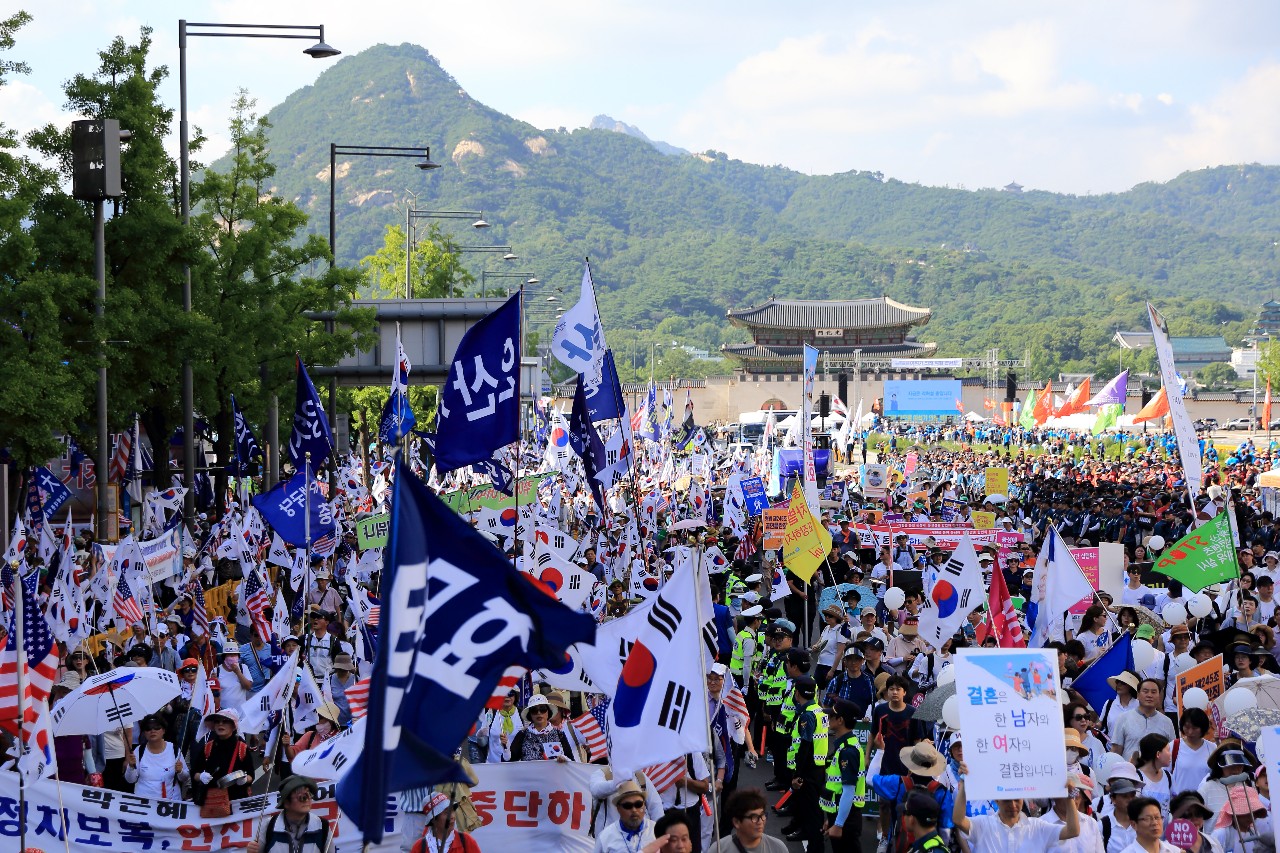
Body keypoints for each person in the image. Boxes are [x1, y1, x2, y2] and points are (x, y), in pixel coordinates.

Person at [952, 763, 1080, 853]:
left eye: (1017, 800)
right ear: (996, 800)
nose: (1013, 805)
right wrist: (964, 783)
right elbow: (958, 820)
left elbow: (1072, 831)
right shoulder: (983, 825)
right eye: (1007, 800)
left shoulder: (1037, 827)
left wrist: (1069, 798)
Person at [823, 699, 867, 853]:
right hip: (842, 814)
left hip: (847, 819)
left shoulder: (848, 751)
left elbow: (848, 790)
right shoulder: (844, 745)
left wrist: (838, 823)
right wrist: (832, 820)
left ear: (840, 720)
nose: (828, 718)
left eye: (831, 716)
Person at [248, 776, 334, 853]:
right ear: (286, 803)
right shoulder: (269, 826)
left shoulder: (322, 826)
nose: (308, 799)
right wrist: (251, 851)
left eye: (309, 794)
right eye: (302, 797)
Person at [189, 708, 255, 808]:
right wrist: (201, 776)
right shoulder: (208, 747)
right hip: (211, 803)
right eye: (217, 721)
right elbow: (194, 773)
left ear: (233, 726)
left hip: (237, 803)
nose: (220, 724)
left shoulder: (242, 748)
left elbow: (251, 775)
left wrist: (244, 779)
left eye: (225, 721)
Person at [125, 714, 188, 800]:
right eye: (148, 728)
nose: (152, 731)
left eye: (157, 727)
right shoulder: (139, 750)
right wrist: (131, 767)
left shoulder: (174, 749)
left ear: (164, 730)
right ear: (144, 733)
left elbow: (185, 778)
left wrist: (180, 771)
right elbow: (130, 780)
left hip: (171, 800)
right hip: (144, 801)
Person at [707, 788, 788, 852]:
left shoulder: (778, 848)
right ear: (736, 822)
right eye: (754, 817)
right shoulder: (719, 849)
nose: (760, 821)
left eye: (762, 815)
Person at [1110, 679, 1175, 759]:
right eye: (1145, 691)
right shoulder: (1123, 718)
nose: (1149, 695)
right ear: (1138, 695)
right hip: (1129, 766)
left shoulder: (1167, 722)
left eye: (1153, 692)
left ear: (1159, 696)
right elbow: (1116, 750)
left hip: (1157, 767)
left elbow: (1171, 751)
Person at [505, 694, 574, 762]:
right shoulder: (522, 735)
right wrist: (506, 748)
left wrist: (565, 759)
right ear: (530, 714)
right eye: (534, 710)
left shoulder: (559, 735)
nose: (539, 713)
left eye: (542, 709)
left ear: (548, 712)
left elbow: (571, 761)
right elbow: (509, 761)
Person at [595, 781, 657, 853]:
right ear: (618, 808)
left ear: (644, 805)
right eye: (628, 806)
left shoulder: (657, 830)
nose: (634, 810)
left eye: (638, 804)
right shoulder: (605, 836)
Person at [410, 791, 481, 853]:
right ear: (433, 819)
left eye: (452, 810)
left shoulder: (466, 841)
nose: (452, 816)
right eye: (446, 813)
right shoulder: (419, 847)